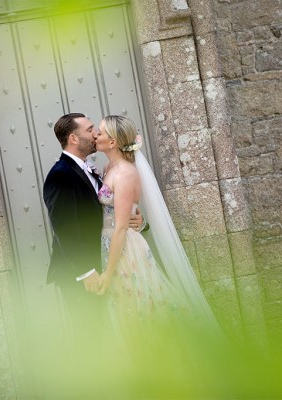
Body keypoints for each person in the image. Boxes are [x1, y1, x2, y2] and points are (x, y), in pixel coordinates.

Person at [94, 116, 222, 394]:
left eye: (100, 132)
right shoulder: (108, 167)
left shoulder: (125, 173)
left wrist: (108, 271)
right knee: (126, 312)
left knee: (142, 309)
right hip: (112, 246)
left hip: (126, 250)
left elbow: (119, 228)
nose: (95, 135)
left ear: (113, 141)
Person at [42, 113, 145, 351]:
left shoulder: (95, 169)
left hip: (102, 265)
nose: (95, 133)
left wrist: (137, 220)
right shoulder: (60, 175)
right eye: (90, 130)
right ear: (73, 139)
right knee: (90, 338)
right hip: (80, 274)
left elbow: (110, 213)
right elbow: (64, 228)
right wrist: (86, 272)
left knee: (109, 335)